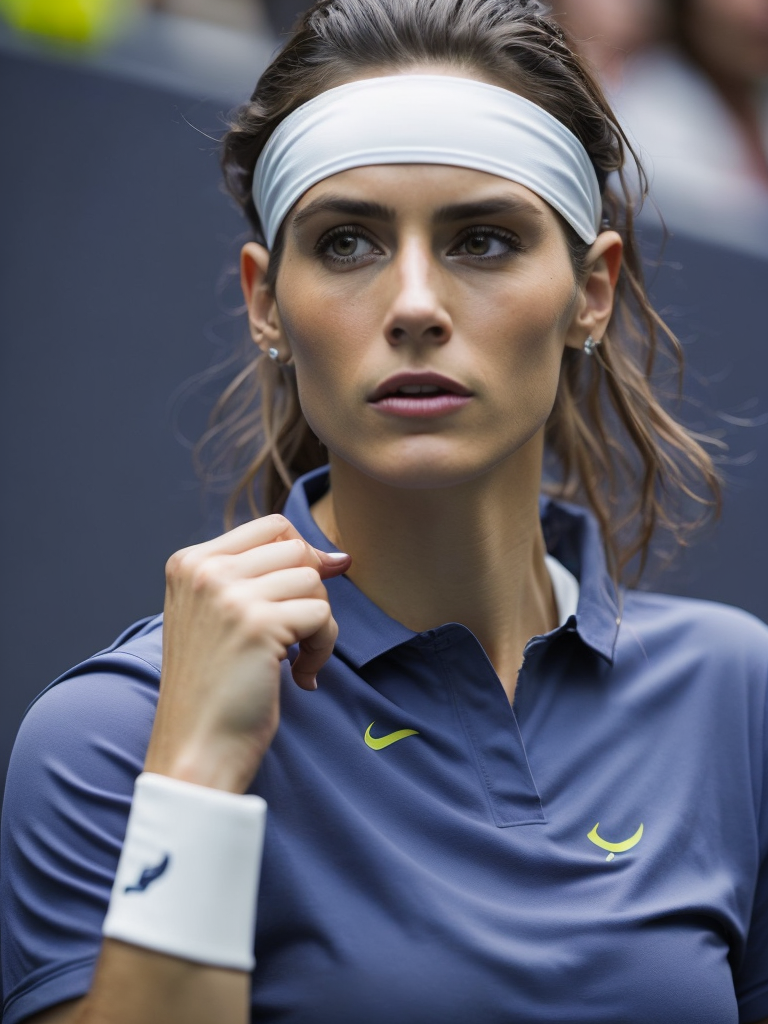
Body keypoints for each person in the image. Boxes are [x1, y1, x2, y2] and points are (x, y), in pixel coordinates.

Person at [2, 1, 767, 1022]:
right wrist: (192, 776)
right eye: (350, 241)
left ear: (593, 289)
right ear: (266, 301)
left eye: (484, 240)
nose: (414, 303)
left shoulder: (738, 696)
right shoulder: (113, 737)